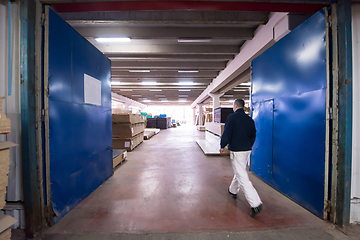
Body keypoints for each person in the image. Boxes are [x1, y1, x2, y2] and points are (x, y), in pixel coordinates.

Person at [220, 99, 263, 218]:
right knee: (240, 171)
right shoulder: (249, 119)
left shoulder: (232, 117)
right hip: (247, 150)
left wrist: (222, 145)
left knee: (242, 176)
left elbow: (227, 133)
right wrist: (248, 145)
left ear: (235, 106)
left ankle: (256, 203)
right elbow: (253, 135)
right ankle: (233, 190)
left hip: (237, 151)